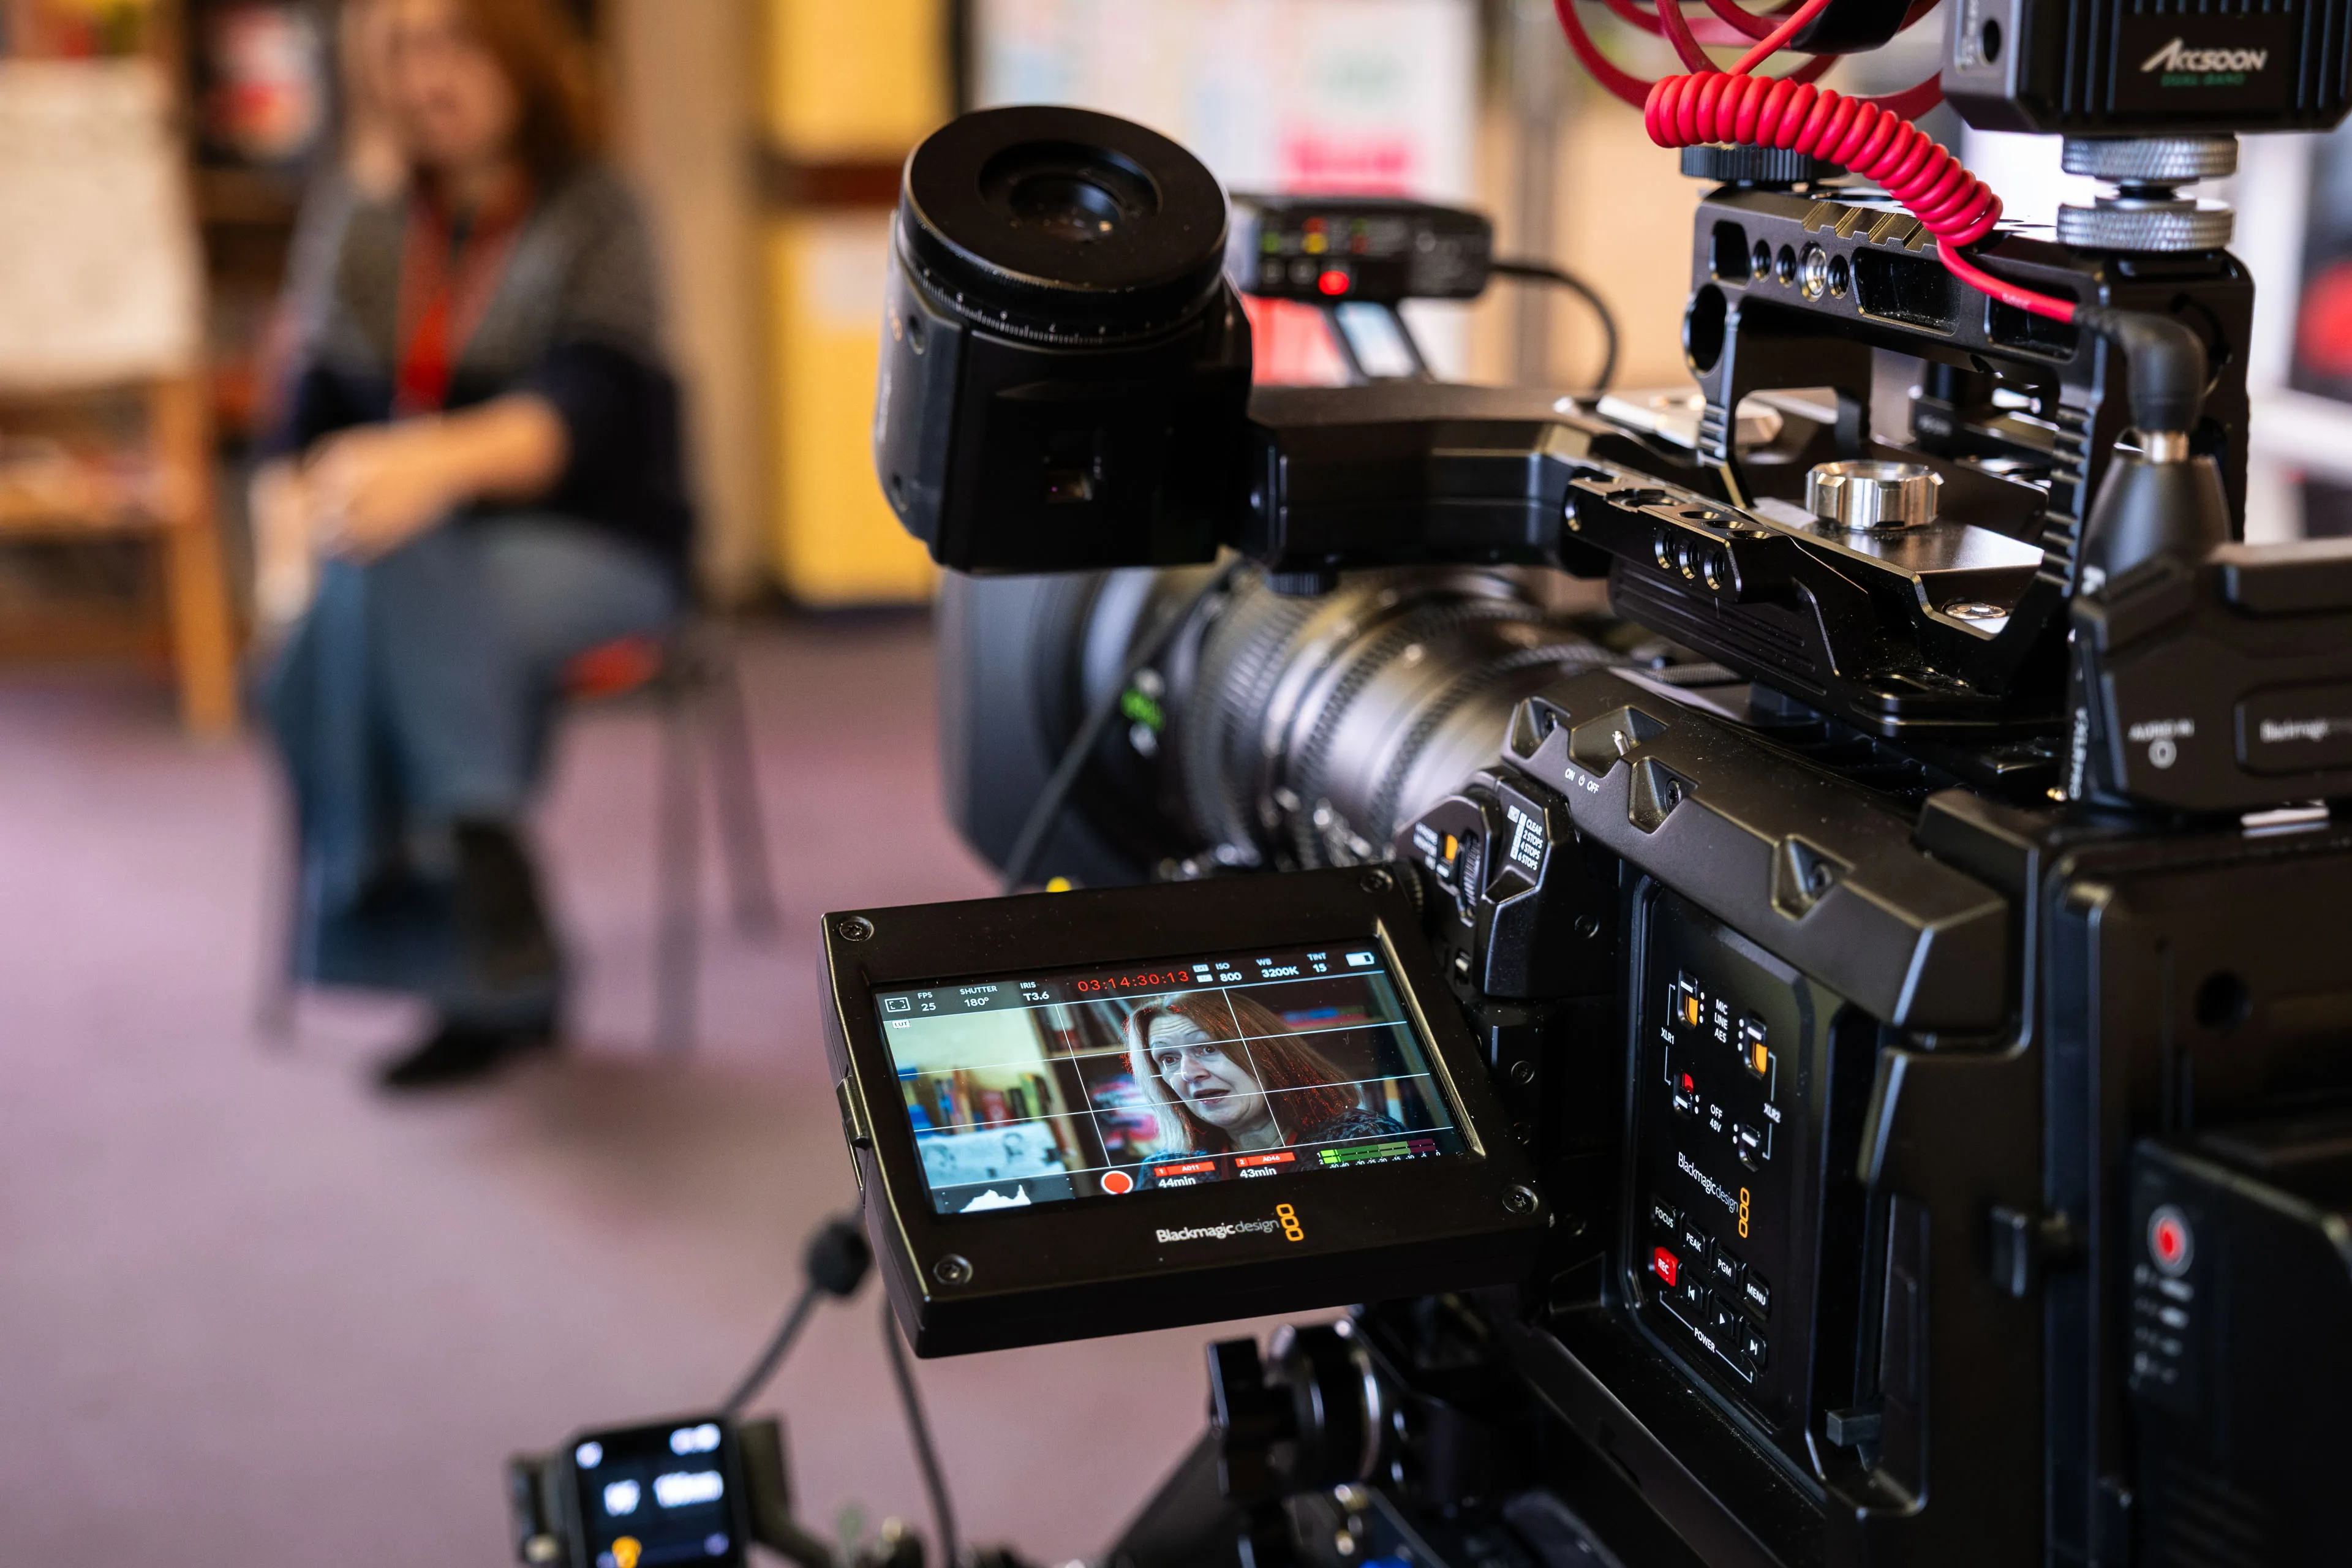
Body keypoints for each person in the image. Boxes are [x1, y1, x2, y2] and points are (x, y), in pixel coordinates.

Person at [258, 0, 690, 1089]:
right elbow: (301, 427)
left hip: (590, 546)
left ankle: (448, 926)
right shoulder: (362, 218)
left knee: (353, 609)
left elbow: (587, 416)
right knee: (336, 621)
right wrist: (358, 491)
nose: (425, 76)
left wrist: (418, 468)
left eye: (453, 42)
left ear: (516, 56)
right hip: (402, 562)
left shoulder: (597, 210)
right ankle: (486, 875)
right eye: (400, 49)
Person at [1123, 992, 1403, 1166]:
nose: (1189, 1073)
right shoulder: (1165, 1169)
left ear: (1267, 1054)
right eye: (1169, 1059)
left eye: (1209, 1048)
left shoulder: (1364, 1138)